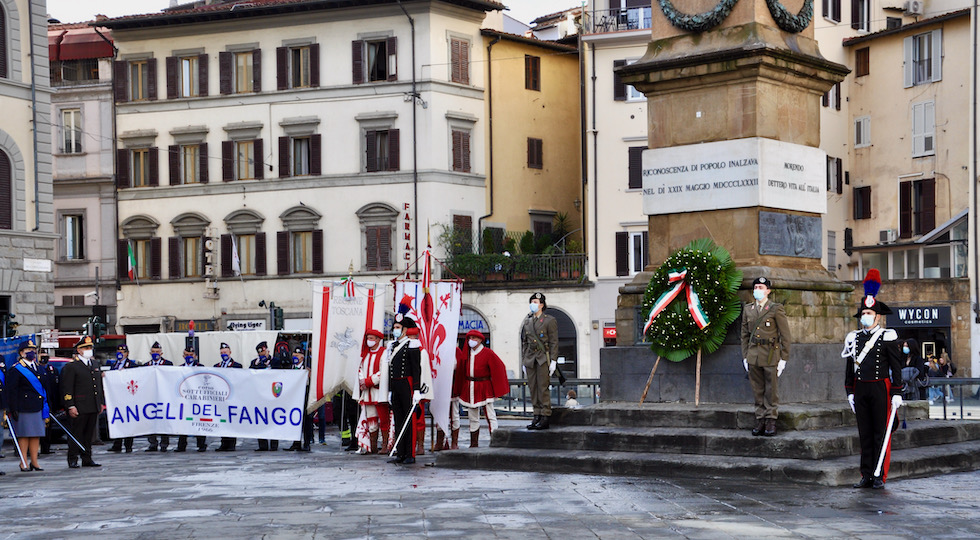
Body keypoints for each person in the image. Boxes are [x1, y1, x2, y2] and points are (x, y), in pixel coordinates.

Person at [843, 269, 904, 490]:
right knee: (865, 434)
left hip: (880, 388)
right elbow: (850, 367)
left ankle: (879, 475)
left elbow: (896, 367)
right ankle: (866, 474)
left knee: (881, 433)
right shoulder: (854, 338)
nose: (866, 316)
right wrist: (850, 391)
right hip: (861, 389)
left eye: (869, 313)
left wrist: (897, 391)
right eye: (863, 313)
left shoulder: (887, 336)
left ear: (878, 316)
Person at [740, 276, 792, 437]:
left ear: (768, 291)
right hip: (753, 354)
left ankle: (771, 419)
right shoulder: (748, 309)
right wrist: (745, 356)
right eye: (756, 287)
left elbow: (785, 335)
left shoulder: (775, 309)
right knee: (757, 389)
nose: (758, 290)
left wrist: (784, 358)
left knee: (771, 390)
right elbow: (744, 335)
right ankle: (760, 418)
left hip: (770, 354)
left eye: (761, 288)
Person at [454, 330, 509, 448]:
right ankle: (474, 443)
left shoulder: (488, 353)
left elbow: (499, 367)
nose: (471, 341)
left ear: (479, 340)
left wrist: (497, 386)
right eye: (470, 338)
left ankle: (495, 440)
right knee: (472, 416)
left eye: (474, 338)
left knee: (490, 415)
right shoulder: (467, 353)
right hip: (470, 386)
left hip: (484, 386)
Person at [387, 312, 429, 464]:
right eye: (394, 327)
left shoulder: (412, 344)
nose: (395, 330)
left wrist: (416, 390)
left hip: (407, 384)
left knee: (409, 420)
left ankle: (410, 454)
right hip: (396, 385)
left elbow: (416, 369)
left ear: (405, 330)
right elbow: (390, 370)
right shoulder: (392, 346)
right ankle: (401, 452)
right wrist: (390, 390)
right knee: (398, 419)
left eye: (398, 327)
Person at [60, 336, 104, 468]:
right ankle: (72, 458)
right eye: (86, 348)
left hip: (92, 405)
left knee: (88, 434)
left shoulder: (94, 364)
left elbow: (98, 385)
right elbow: (67, 387)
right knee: (76, 433)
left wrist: (100, 402)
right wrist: (70, 405)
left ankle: (87, 458)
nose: (89, 350)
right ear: (79, 350)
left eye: (90, 347)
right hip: (79, 406)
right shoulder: (72, 366)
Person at [5, 340, 49, 471]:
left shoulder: (38, 367)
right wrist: (13, 408)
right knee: (24, 435)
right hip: (24, 407)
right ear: (21, 353)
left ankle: (34, 462)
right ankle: (23, 462)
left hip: (38, 406)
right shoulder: (16, 369)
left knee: (36, 434)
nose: (31, 352)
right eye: (28, 350)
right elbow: (12, 390)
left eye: (33, 350)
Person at [520, 292, 558, 430]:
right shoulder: (527, 321)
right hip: (530, 358)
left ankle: (545, 415)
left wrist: (553, 360)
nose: (533, 304)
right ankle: (536, 414)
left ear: (542, 305)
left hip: (543, 358)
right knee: (533, 387)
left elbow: (554, 342)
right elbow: (525, 343)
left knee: (543, 387)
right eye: (532, 302)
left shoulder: (549, 321)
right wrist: (524, 360)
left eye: (535, 302)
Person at [355, 329, 390, 455]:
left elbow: (383, 371)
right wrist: (362, 381)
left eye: (371, 338)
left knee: (384, 419)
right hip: (367, 393)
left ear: (378, 340)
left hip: (379, 392)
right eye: (368, 338)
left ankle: (385, 445)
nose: (369, 341)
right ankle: (373, 446)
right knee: (371, 420)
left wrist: (369, 381)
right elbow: (360, 369)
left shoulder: (384, 353)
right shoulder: (366, 354)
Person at [175, 347, 208, 452]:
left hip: (197, 399)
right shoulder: (179, 368)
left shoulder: (200, 367)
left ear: (195, 356)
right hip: (184, 398)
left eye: (191, 355)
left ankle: (201, 444)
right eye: (187, 355)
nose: (189, 356)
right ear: (183, 356)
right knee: (183, 422)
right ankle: (181, 445)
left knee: (199, 421)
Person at [144, 341, 173, 452]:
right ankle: (152, 443)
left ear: (161, 353)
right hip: (150, 396)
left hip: (163, 396)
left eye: (157, 352)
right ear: (150, 353)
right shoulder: (146, 365)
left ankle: (164, 443)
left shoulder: (168, 364)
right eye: (153, 352)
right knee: (150, 420)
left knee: (163, 420)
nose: (155, 353)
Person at [109, 344, 138, 453]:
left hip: (128, 397)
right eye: (118, 352)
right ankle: (117, 444)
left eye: (123, 352)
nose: (120, 354)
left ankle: (128, 445)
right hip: (117, 398)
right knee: (118, 421)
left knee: (128, 421)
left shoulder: (132, 365)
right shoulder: (114, 365)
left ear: (127, 353)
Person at [213, 342, 242, 451]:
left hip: (232, 397)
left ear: (230, 352)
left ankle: (231, 444)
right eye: (222, 353)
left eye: (225, 352)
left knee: (231, 421)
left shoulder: (237, 365)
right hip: (221, 398)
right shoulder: (217, 366)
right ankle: (224, 443)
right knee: (222, 421)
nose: (223, 354)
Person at [250, 341, 278, 452]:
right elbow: (250, 375)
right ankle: (262, 445)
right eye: (260, 353)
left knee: (273, 419)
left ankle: (274, 444)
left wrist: (267, 364)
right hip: (260, 395)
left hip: (272, 394)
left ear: (267, 351)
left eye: (263, 352)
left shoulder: (275, 361)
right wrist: (259, 365)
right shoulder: (254, 362)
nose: (262, 355)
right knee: (260, 420)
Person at [284, 347, 313, 452]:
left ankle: (307, 443)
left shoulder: (307, 368)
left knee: (307, 420)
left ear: (302, 357)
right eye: (293, 355)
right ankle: (296, 442)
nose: (295, 357)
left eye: (297, 355)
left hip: (305, 396)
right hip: (294, 398)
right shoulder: (290, 367)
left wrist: (309, 374)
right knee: (295, 419)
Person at [37, 354, 60, 455]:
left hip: (49, 402)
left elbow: (56, 387)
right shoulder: (36, 369)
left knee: (48, 426)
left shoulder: (53, 370)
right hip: (37, 402)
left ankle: (46, 448)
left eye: (46, 356)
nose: (44, 358)